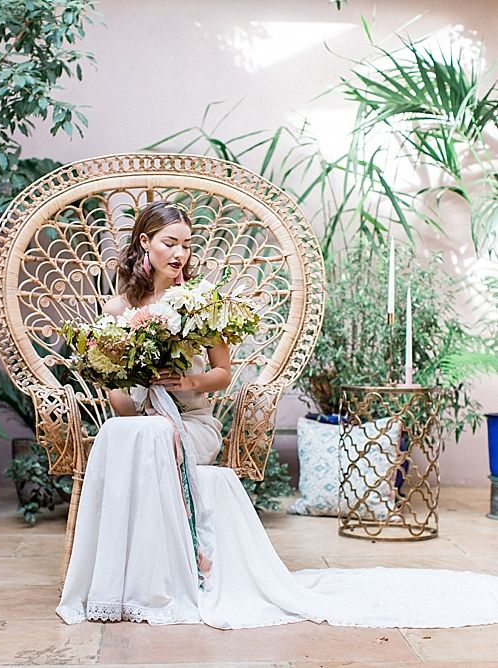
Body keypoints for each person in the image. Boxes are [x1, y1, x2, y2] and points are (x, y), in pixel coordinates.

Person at [56, 201, 498, 629]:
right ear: (145, 243)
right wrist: (129, 386)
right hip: (145, 424)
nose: (180, 254)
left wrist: (185, 384)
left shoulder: (199, 301)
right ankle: (126, 582)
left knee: (154, 436)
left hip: (193, 424)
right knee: (126, 432)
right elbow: (119, 397)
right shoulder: (118, 311)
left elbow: (223, 373)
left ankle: (184, 566)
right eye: (170, 243)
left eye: (187, 245)